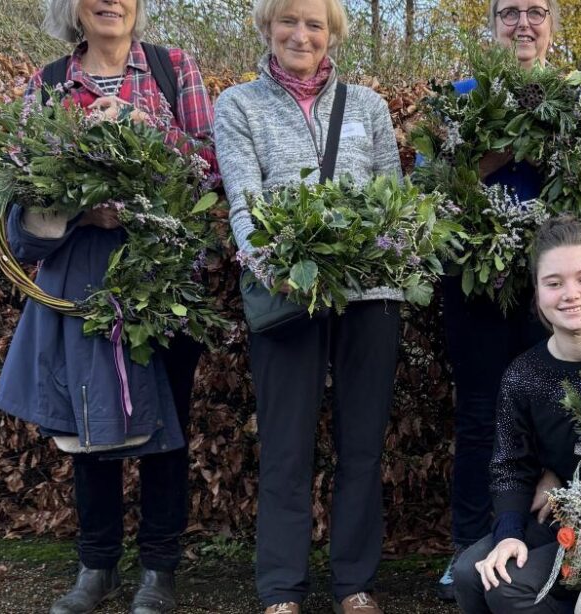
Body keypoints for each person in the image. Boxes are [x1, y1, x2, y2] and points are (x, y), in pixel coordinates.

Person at [0, 0, 215, 612]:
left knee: (166, 427)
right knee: (88, 424)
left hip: (164, 282)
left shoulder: (174, 69)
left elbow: (210, 164)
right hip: (82, 286)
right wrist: (81, 209)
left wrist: (145, 127)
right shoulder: (47, 83)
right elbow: (20, 185)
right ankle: (97, 567)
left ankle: (159, 570)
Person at [212, 0, 403, 610]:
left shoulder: (369, 106)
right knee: (287, 446)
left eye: (315, 23)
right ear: (268, 27)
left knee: (362, 446)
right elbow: (244, 205)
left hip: (370, 298)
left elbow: (392, 204)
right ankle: (281, 588)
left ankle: (355, 584)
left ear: (332, 34)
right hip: (286, 297)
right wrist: (280, 272)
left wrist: (374, 264)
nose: (301, 34)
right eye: (288, 20)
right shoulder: (238, 105)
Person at [435, 0, 564, 601]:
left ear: (551, 24)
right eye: (508, 11)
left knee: (553, 412)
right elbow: (433, 186)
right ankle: (468, 544)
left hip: (554, 288)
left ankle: (544, 543)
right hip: (476, 284)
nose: (523, 23)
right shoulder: (463, 95)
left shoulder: (574, 94)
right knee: (481, 413)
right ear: (491, 25)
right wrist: (508, 150)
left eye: (536, 10)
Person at [452, 216, 581, 612]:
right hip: (557, 518)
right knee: (470, 573)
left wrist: (565, 479)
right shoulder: (525, 375)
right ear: (538, 294)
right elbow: (511, 465)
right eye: (554, 283)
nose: (570, 294)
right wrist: (509, 533)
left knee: (510, 589)